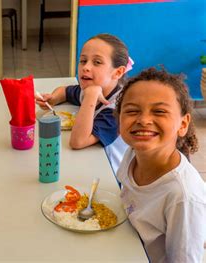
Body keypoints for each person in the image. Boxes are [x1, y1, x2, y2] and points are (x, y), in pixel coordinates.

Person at [115, 67, 205, 263]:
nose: (143, 120)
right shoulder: (133, 152)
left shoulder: (183, 197)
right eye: (132, 111)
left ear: (183, 124)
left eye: (159, 111)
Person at [36, 33, 131, 172]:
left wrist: (90, 98)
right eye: (83, 61)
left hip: (110, 175)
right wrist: (53, 98)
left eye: (97, 62)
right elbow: (65, 91)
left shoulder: (116, 110)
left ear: (118, 72)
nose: (86, 67)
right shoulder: (89, 88)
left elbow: (78, 142)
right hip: (91, 163)